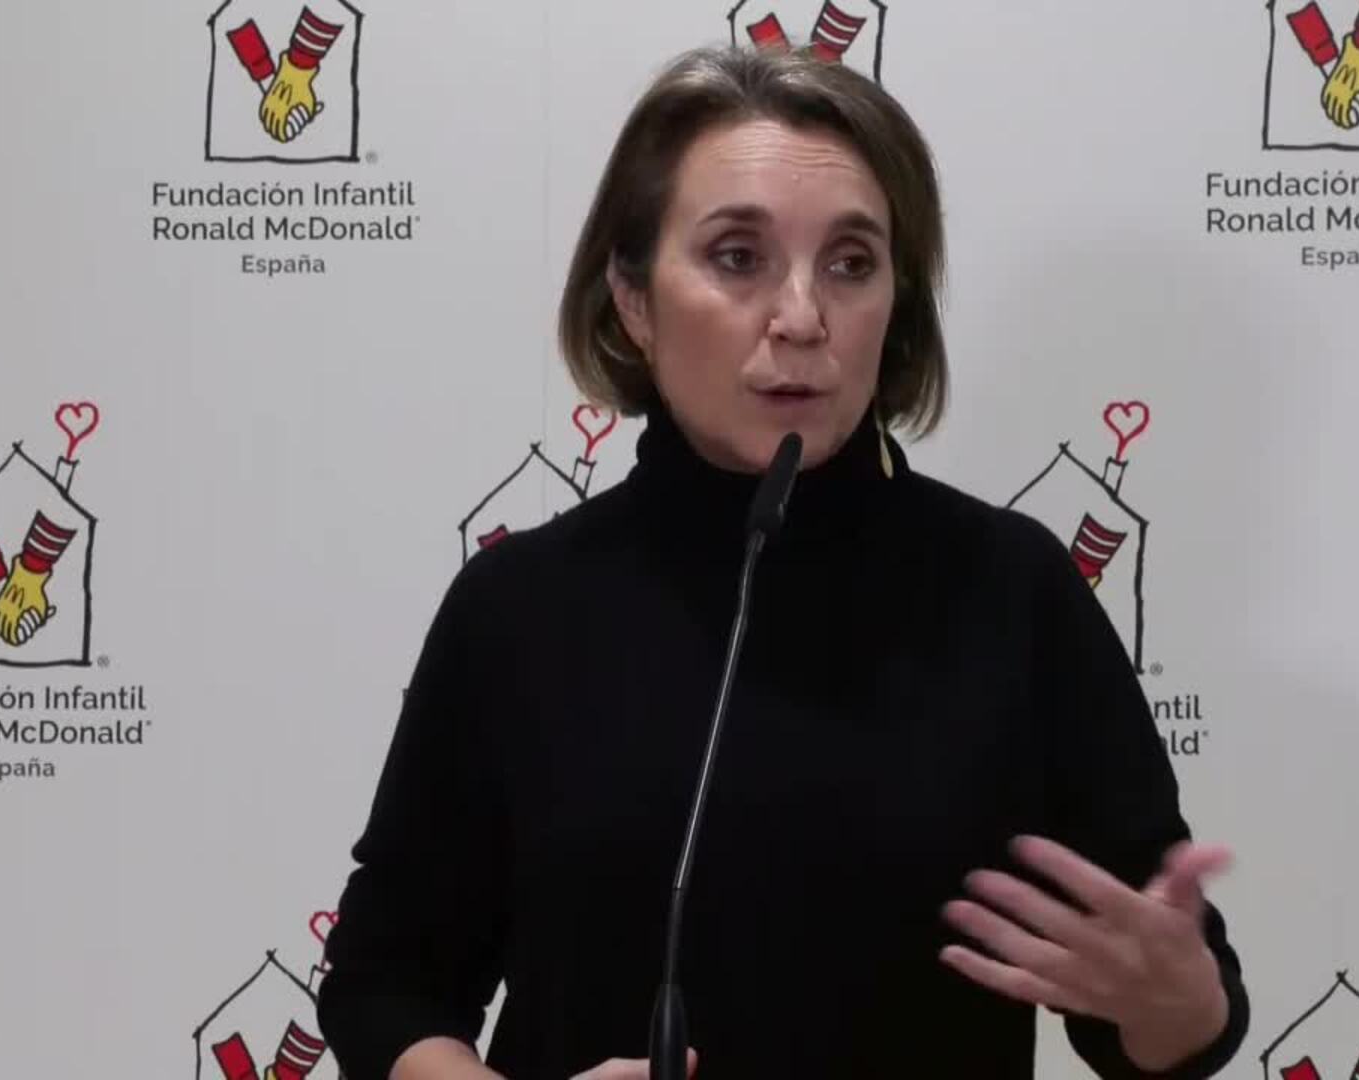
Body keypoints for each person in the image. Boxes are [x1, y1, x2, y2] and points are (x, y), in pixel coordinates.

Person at [315, 43, 1250, 1080]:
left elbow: (1165, 1014)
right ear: (633, 296)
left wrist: (1179, 1000)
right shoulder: (518, 609)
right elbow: (385, 981)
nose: (802, 318)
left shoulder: (1013, 591)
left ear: (898, 302)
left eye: (851, 264)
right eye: (737, 257)